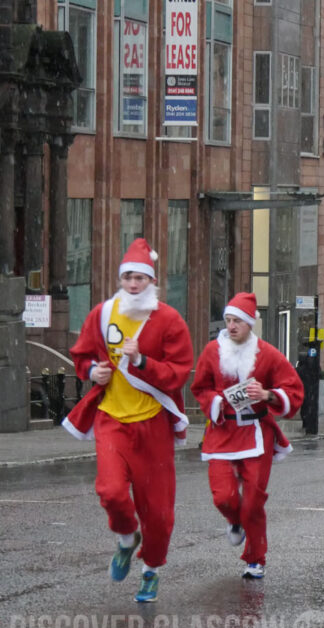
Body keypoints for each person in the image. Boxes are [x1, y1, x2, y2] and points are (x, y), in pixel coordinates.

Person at [62, 238, 193, 602]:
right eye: (128, 278)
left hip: (153, 424)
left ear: (152, 281)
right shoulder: (103, 314)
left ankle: (150, 569)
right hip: (111, 418)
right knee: (111, 491)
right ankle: (125, 538)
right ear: (120, 280)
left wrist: (142, 363)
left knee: (159, 513)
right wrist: (93, 371)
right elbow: (82, 355)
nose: (133, 285)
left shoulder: (168, 320)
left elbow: (179, 372)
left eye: (140, 278)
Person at [191, 293, 304, 579]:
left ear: (250, 323)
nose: (231, 326)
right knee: (224, 498)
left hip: (256, 434)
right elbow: (199, 387)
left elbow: (294, 389)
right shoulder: (211, 352)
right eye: (228, 320)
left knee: (253, 502)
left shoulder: (267, 354)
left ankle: (256, 558)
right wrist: (214, 402)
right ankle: (235, 521)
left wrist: (268, 394)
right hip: (221, 432)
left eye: (238, 321)